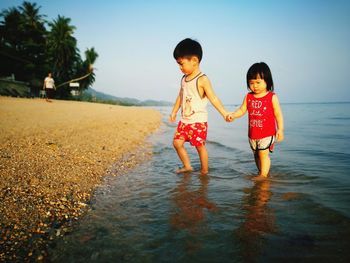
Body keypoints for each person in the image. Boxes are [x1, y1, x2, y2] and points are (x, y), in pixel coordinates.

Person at [169, 38, 230, 175]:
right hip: (184, 121)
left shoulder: (202, 79)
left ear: (195, 61)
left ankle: (204, 171)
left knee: (199, 146)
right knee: (177, 143)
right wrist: (174, 111)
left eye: (181, 63)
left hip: (198, 121)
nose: (180, 67)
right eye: (178, 64)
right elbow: (180, 96)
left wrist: (224, 113)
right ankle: (188, 166)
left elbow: (213, 98)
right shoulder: (184, 79)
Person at [228, 62, 284, 179]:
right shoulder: (248, 97)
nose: (255, 86)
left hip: (267, 133)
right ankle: (262, 172)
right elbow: (242, 110)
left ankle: (263, 175)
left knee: (263, 154)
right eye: (251, 83)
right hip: (253, 134)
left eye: (258, 82)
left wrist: (280, 129)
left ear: (267, 81)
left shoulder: (271, 97)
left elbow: (278, 114)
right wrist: (233, 115)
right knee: (256, 155)